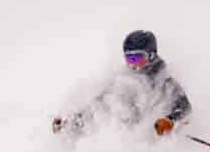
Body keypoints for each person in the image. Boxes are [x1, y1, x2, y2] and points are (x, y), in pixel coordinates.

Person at [52, 30, 192, 138]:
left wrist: (169, 120)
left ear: (151, 55)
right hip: (125, 135)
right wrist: (71, 122)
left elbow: (185, 107)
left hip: (151, 137)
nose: (133, 65)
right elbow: (98, 105)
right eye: (129, 59)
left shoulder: (163, 80)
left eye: (138, 58)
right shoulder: (123, 78)